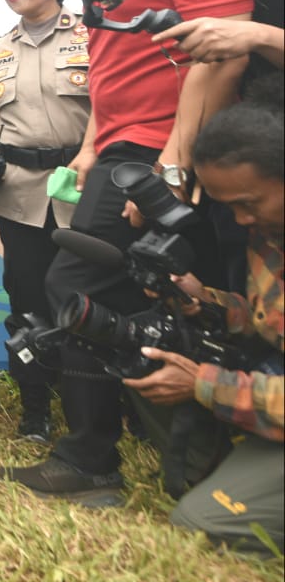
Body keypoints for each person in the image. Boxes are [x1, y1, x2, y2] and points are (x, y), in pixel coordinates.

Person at [0, 0, 258, 505]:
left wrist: (173, 164)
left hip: (156, 152)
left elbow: (220, 58)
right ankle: (138, 444)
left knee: (76, 290)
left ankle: (92, 458)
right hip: (115, 147)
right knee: (105, 293)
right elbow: (110, 62)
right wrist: (88, 147)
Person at [121, 77, 282, 555]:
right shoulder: (268, 232)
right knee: (158, 346)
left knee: (201, 521)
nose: (240, 221)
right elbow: (266, 320)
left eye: (247, 204)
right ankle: (218, 470)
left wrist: (203, 384)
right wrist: (206, 301)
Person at [0, 0, 90, 443]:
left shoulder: (93, 35)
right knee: (26, 306)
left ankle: (100, 408)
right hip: (19, 199)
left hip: (85, 191)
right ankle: (35, 411)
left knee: (93, 301)